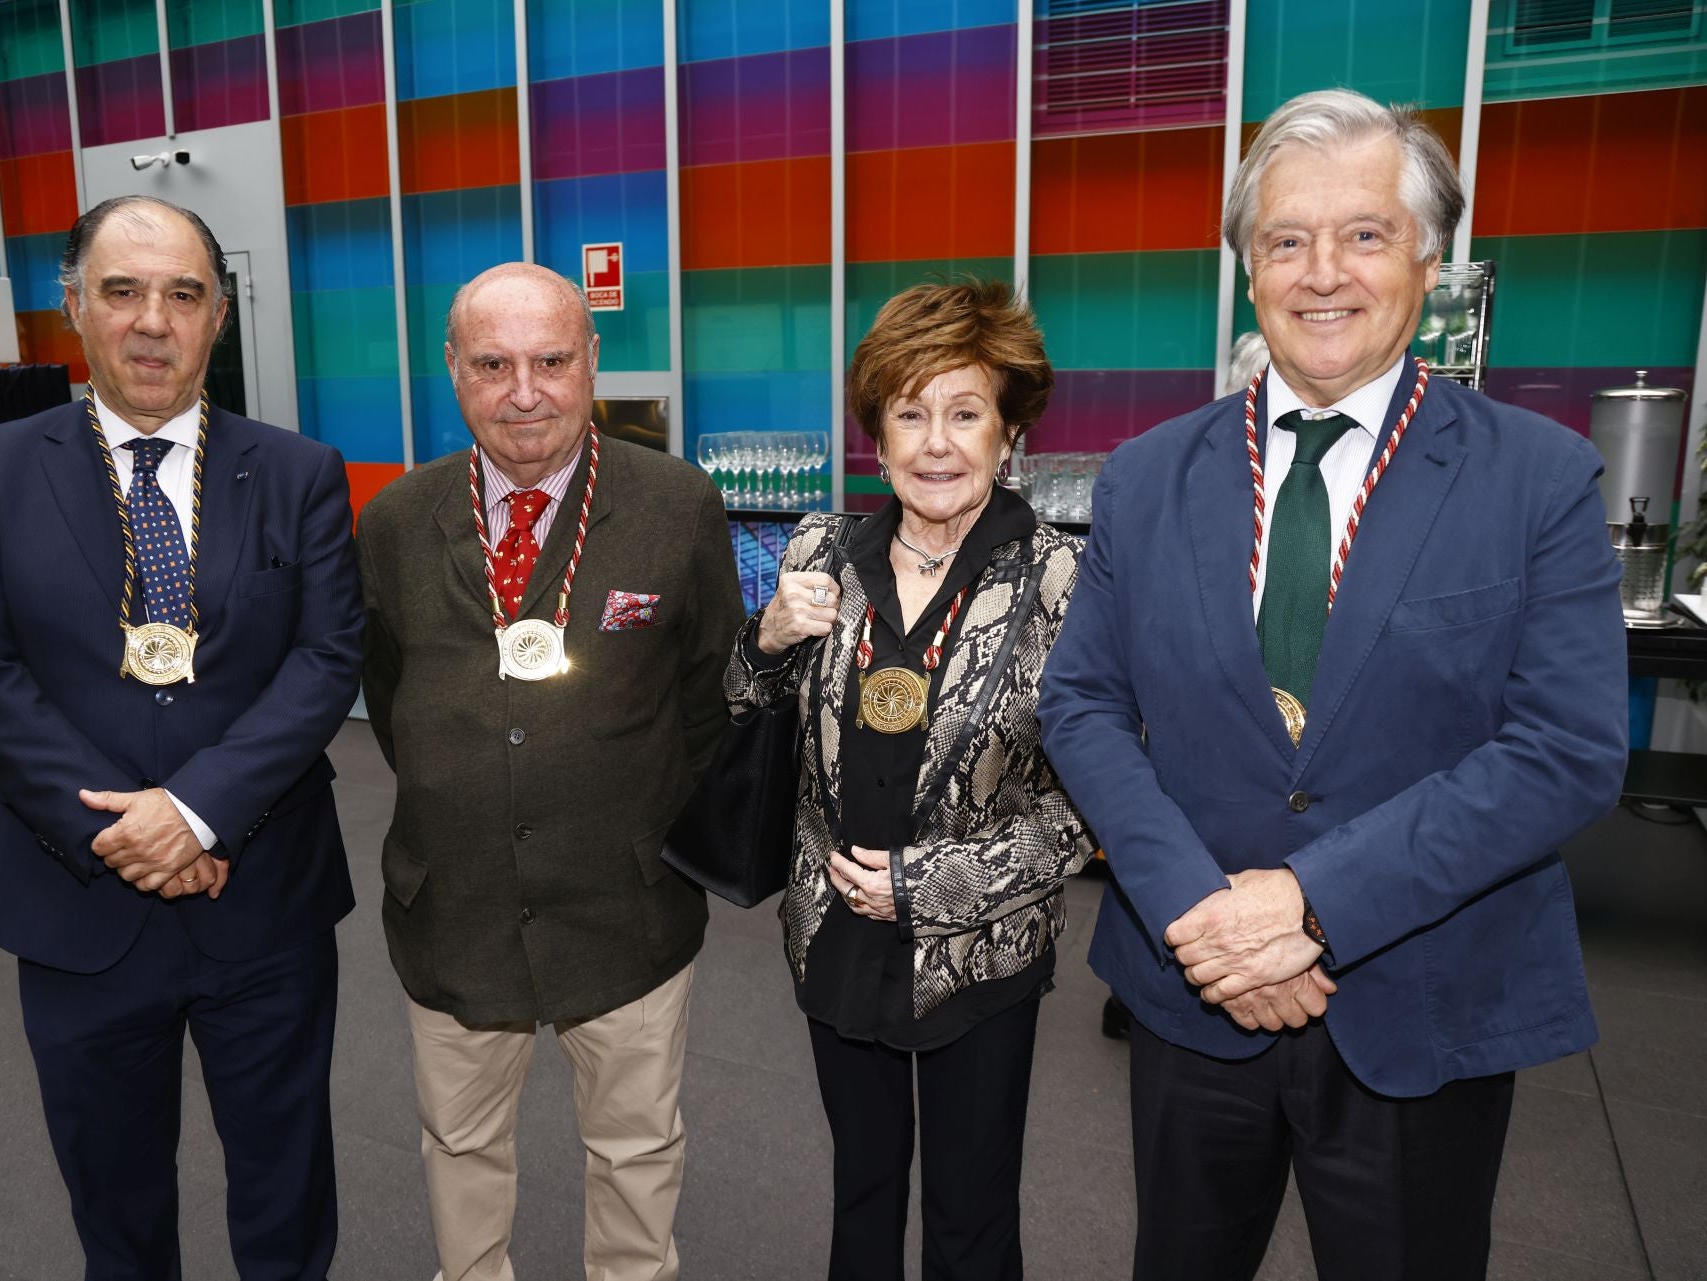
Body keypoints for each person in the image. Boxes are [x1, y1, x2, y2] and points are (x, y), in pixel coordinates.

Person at [1039, 88, 1626, 1280]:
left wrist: (1305, 909)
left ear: (1426, 255)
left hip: (1425, 1001)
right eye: (1285, 240)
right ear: (1247, 269)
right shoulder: (1147, 479)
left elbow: (1564, 749)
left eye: (1363, 234)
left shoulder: (1539, 478)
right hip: (1192, 994)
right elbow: (1083, 703)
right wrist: (1207, 921)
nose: (1323, 274)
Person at [0, 196, 363, 1278]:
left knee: (286, 1186)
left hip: (261, 899)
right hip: (76, 903)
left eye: (183, 294)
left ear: (221, 316)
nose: (152, 322)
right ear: (74, 308)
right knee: (113, 1202)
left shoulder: (300, 471)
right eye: (121, 292)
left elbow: (325, 660)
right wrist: (131, 831)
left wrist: (197, 809)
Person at [356, 261, 743, 1281]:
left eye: (551, 361)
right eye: (493, 363)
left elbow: (710, 696)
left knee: (634, 1152)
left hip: (626, 907)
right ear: (453, 370)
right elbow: (393, 698)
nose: (524, 391)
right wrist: (469, 788)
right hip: (455, 906)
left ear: (592, 362)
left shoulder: (676, 504)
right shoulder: (396, 522)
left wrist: (635, 819)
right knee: (461, 1148)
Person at [728, 280, 1096, 1280]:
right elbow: (737, 721)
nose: (937, 443)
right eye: (910, 413)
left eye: (965, 413)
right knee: (861, 1195)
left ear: (1008, 431)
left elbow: (1099, 804)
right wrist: (761, 644)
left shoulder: (1064, 582)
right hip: (836, 941)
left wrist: (935, 883)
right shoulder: (818, 553)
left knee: (972, 1221)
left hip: (981, 952)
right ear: (876, 437)